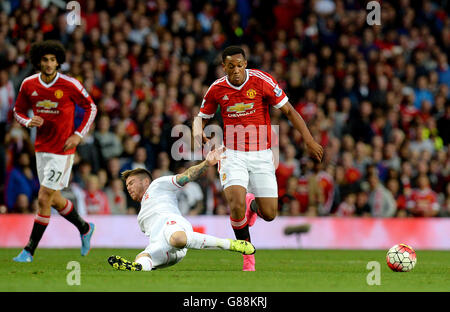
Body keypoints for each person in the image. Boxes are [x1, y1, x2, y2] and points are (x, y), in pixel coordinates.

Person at [193, 46, 323, 271]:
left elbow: (290, 111)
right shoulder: (217, 89)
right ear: (224, 67)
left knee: (270, 214)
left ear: (246, 64)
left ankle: (252, 206)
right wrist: (197, 131)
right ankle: (248, 255)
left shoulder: (262, 81)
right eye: (230, 66)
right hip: (232, 154)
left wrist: (309, 140)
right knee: (234, 205)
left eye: (239, 65)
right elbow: (200, 117)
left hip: (262, 154)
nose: (236, 70)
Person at [12, 40, 97, 262]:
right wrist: (29, 121)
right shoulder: (28, 84)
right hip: (42, 148)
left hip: (63, 150)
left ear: (58, 61)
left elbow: (91, 107)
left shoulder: (69, 84)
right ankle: (85, 228)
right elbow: (17, 111)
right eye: (45, 60)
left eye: (52, 60)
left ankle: (29, 251)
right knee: (55, 199)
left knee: (43, 197)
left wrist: (78, 134)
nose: (49, 64)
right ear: (38, 62)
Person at [108, 147, 255, 272]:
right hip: (165, 247)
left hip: (172, 226)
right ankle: (138, 267)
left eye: (132, 183)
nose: (128, 188)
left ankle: (231, 244)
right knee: (143, 257)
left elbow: (186, 176)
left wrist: (206, 163)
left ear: (145, 181)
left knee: (176, 238)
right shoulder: (141, 216)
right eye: (127, 186)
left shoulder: (157, 185)